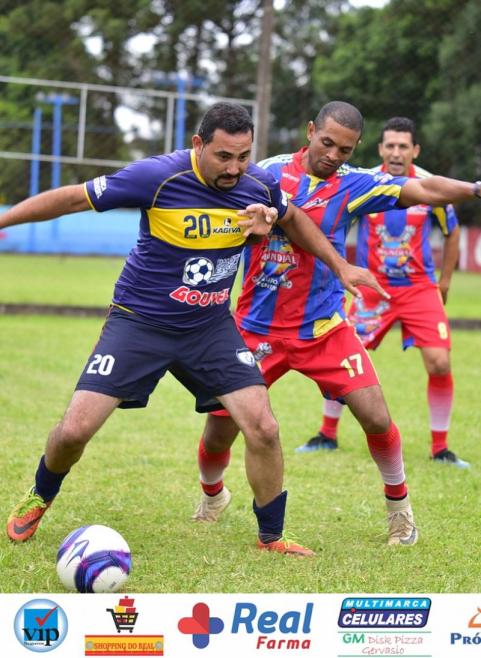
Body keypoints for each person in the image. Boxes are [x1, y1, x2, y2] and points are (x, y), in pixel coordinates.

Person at [4, 102, 385, 557]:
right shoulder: (158, 177)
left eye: (243, 156)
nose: (234, 168)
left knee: (262, 425)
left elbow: (294, 218)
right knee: (74, 432)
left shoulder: (257, 184)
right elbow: (72, 197)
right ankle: (40, 495)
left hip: (209, 327)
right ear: (198, 145)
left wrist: (340, 265)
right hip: (139, 323)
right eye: (224, 156)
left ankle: (272, 537)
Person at [192, 101, 480, 548]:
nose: (332, 155)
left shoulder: (356, 184)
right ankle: (213, 497)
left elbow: (423, 190)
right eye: (326, 143)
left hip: (323, 328)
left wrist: (475, 188)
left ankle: (400, 513)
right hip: (255, 328)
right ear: (310, 131)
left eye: (344, 149)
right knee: (220, 427)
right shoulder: (263, 173)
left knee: (376, 416)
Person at [299, 116, 469, 469]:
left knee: (440, 362)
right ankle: (326, 434)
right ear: (380, 149)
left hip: (419, 289)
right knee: (342, 358)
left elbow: (452, 232)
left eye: (403, 146)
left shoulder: (428, 186)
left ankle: (441, 448)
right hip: (371, 289)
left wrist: (446, 280)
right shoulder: (365, 182)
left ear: (414, 150)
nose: (395, 152)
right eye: (389, 145)